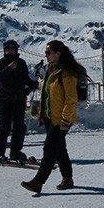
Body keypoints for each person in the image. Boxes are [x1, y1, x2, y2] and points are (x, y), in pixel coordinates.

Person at [21, 40, 80, 193]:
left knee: (49, 148)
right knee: (59, 148)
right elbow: (46, 94)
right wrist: (42, 113)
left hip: (61, 118)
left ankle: (38, 181)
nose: (46, 55)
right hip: (50, 116)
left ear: (57, 54)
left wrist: (65, 120)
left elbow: (71, 99)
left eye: (48, 52)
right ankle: (67, 178)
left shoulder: (67, 73)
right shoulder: (51, 70)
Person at [0, 40, 38, 164]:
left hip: (19, 99)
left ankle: (15, 152)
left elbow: (25, 78)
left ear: (16, 50)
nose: (10, 51)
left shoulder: (21, 63)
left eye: (12, 48)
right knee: (4, 126)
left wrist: (32, 84)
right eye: (8, 49)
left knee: (19, 126)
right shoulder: (1, 63)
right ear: (4, 50)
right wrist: (8, 69)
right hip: (5, 99)